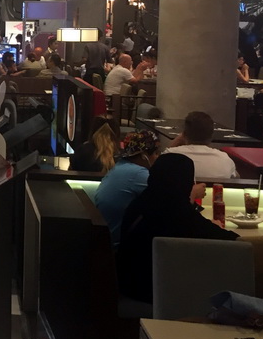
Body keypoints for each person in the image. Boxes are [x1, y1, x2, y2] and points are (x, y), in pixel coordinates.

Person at [116, 154, 238, 303]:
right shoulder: (177, 212)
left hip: (128, 284)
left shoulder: (142, 202)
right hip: (153, 294)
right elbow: (233, 242)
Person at [93, 130, 159, 247]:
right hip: (117, 246)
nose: (157, 157)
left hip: (104, 239)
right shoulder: (138, 174)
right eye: (155, 153)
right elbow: (167, 198)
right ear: (144, 155)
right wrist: (193, 193)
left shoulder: (121, 166)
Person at [163, 111, 237, 179]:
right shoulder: (225, 159)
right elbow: (236, 178)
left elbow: (156, 173)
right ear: (211, 137)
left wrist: (174, 144)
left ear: (184, 135)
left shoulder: (169, 155)